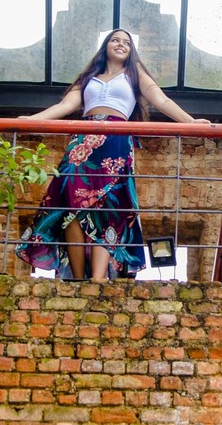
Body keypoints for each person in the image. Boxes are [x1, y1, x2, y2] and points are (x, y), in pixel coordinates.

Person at [16, 29, 209, 281]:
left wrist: (191, 122)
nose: (121, 44)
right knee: (68, 203)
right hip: (83, 142)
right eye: (115, 40)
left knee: (108, 206)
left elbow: (161, 101)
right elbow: (65, 106)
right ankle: (76, 278)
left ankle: (98, 278)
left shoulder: (134, 72)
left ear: (132, 50)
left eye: (127, 42)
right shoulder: (88, 77)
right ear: (105, 45)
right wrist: (33, 120)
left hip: (116, 141)